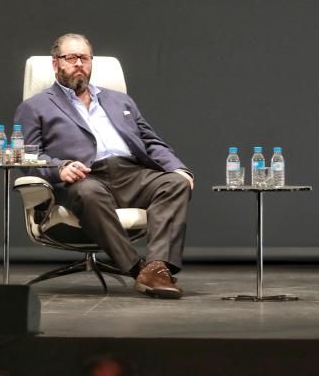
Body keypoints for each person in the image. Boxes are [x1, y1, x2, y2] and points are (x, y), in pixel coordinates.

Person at [14, 33, 193, 299]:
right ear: (56, 64)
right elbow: (25, 156)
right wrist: (59, 167)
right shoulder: (35, 106)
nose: (79, 63)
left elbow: (151, 141)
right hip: (85, 177)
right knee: (88, 192)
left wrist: (179, 169)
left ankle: (157, 267)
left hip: (131, 173)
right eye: (71, 57)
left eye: (84, 58)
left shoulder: (120, 101)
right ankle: (137, 269)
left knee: (175, 182)